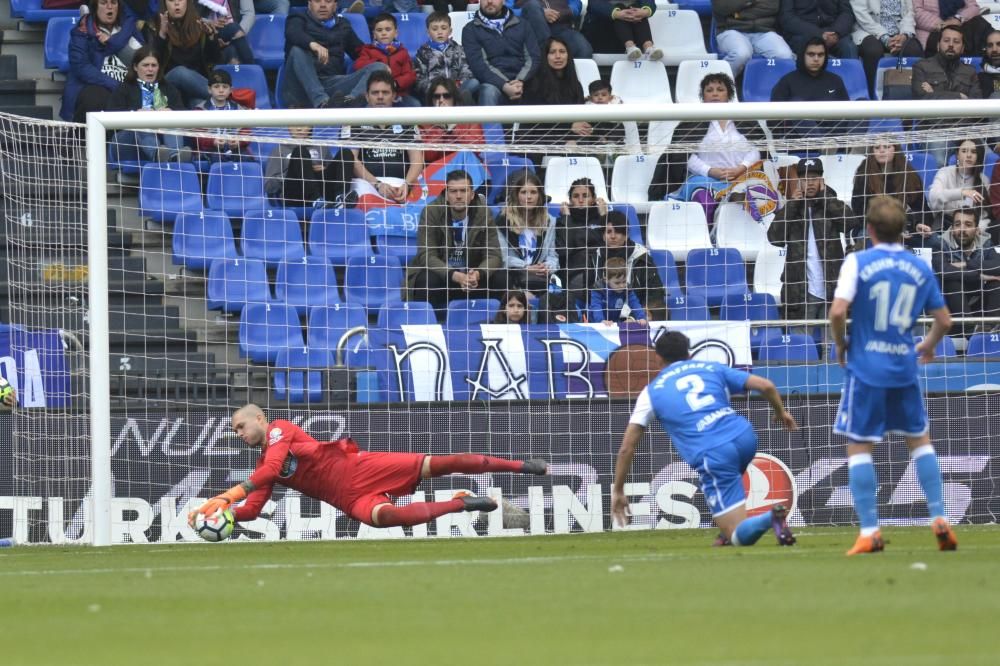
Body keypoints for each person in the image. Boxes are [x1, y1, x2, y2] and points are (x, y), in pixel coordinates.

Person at [828, 195, 958, 555]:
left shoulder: (858, 261)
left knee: (859, 446)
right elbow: (945, 320)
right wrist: (928, 345)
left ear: (869, 229)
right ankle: (940, 517)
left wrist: (841, 346)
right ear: (903, 231)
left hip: (866, 368)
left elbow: (838, 312)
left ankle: (870, 530)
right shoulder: (919, 267)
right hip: (904, 366)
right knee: (919, 441)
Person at [188, 404, 549, 529]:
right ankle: (464, 502)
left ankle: (521, 466)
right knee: (391, 518)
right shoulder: (264, 463)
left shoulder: (281, 429)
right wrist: (224, 515)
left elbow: (267, 473)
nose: (238, 433)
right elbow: (253, 506)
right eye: (234, 430)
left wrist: (228, 494)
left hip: (362, 468)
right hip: (346, 497)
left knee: (442, 463)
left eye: (240, 426)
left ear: (260, 419)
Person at [610, 331, 799, 546]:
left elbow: (627, 448)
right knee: (728, 478)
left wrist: (618, 489)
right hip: (745, 437)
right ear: (689, 354)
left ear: (657, 358)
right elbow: (766, 386)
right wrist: (781, 412)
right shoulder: (712, 368)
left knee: (737, 537)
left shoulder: (651, 392)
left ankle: (767, 519)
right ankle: (725, 526)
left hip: (714, 452)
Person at [767, 158, 853, 338]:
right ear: (799, 182)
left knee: (833, 347)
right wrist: (791, 206)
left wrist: (824, 199)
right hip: (800, 291)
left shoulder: (831, 202)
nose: (810, 183)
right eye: (805, 179)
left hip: (832, 289)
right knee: (801, 346)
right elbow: (775, 238)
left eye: (814, 178)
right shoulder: (793, 207)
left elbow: (850, 223)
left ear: (822, 180)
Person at [406, 169, 502, 320]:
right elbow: (426, 255)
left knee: (502, 277)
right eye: (453, 191)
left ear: (472, 195)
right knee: (426, 280)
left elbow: (494, 255)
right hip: (444, 277)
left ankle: (499, 326)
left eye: (463, 191)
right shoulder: (431, 212)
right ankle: (429, 328)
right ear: (446, 195)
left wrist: (478, 274)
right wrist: (455, 275)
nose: (458, 196)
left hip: (473, 279)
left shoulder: (484, 213)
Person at [670, 73, 765, 224]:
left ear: (729, 94)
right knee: (705, 202)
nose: (715, 93)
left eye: (720, 89)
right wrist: (710, 171)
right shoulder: (692, 122)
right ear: (703, 96)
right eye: (709, 90)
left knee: (753, 202)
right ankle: (707, 243)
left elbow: (757, 148)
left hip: (743, 177)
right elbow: (683, 155)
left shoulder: (746, 119)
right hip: (704, 180)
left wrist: (742, 168)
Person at [281, 0, 388, 109]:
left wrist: (384, 59)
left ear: (335, 5)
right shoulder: (297, 18)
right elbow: (293, 33)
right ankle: (322, 102)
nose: (323, 5)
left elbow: (360, 52)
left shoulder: (342, 25)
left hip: (331, 84)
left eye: (328, 1)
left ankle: (350, 102)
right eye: (317, 1)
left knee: (379, 67)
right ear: (309, 3)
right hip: (300, 88)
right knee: (297, 50)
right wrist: (312, 44)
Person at [343, 71, 425, 209]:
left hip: (400, 186)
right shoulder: (354, 121)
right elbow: (351, 160)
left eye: (385, 92)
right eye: (375, 93)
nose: (380, 97)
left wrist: (407, 184)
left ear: (393, 96)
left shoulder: (407, 121)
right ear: (367, 96)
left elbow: (417, 160)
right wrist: (377, 184)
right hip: (366, 184)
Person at [61, 0, 145, 122]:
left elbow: (144, 57)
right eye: (103, 3)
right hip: (97, 85)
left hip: (128, 84)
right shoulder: (82, 31)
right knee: (97, 97)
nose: (109, 7)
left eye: (113, 3)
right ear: (95, 7)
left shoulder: (128, 28)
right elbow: (81, 67)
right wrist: (116, 85)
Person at [106, 46, 191, 163]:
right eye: (145, 65)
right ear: (136, 67)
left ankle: (174, 157)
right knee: (142, 122)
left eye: (154, 65)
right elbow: (110, 117)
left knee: (171, 121)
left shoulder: (169, 88)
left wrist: (171, 112)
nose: (150, 69)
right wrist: (135, 113)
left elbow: (184, 113)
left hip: (163, 140)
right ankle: (157, 155)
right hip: (127, 142)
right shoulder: (124, 88)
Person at [928, 208, 1000, 335]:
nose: (961, 229)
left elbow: (997, 265)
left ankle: (992, 329)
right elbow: (944, 271)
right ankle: (971, 332)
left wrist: (966, 264)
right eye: (957, 224)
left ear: (977, 230)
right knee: (952, 282)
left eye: (968, 225)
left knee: (996, 283)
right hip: (951, 309)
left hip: (978, 303)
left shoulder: (985, 242)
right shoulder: (940, 243)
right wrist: (979, 276)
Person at [490, 171, 560, 297]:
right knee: (500, 277)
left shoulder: (549, 221)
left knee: (559, 281)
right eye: (524, 192)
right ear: (517, 195)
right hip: (514, 275)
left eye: (533, 192)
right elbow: (502, 258)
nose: (529, 197)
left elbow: (553, 255)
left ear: (540, 196)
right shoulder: (502, 221)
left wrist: (547, 267)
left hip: (539, 275)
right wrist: (526, 267)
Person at [462, 0, 541, 106]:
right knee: (488, 90)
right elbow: (479, 65)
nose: (489, 1)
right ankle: (491, 123)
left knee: (544, 83)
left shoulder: (523, 24)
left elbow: (533, 57)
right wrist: (504, 85)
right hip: (493, 83)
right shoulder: (470, 29)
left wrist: (520, 81)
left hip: (524, 81)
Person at [850, 141, 929, 245]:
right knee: (865, 238)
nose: (881, 150)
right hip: (875, 228)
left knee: (934, 241)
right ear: (871, 151)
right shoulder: (863, 174)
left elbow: (921, 207)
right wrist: (890, 230)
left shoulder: (909, 174)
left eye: (886, 147)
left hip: (907, 227)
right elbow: (860, 211)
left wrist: (918, 224)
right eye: (877, 147)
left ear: (895, 149)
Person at [583, 211, 663, 314]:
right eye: (608, 232)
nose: (613, 236)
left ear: (626, 235)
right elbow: (587, 294)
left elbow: (655, 294)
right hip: (602, 318)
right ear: (603, 236)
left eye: (618, 231)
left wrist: (635, 317)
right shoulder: (594, 258)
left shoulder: (642, 257)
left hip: (636, 316)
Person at [770, 37, 851, 138]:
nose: (816, 59)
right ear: (802, 55)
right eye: (811, 54)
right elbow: (772, 120)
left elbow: (847, 114)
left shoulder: (836, 80)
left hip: (834, 137)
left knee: (862, 104)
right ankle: (822, 145)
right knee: (796, 104)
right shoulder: (787, 81)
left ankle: (854, 148)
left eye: (820, 55)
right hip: (800, 141)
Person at [263, 123, 352, 209]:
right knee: (300, 152)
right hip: (295, 195)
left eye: (303, 124)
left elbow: (334, 174)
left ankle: (341, 198)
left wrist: (325, 169)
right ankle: (316, 200)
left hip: (322, 191)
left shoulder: (321, 147)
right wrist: (295, 170)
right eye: (294, 125)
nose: (299, 129)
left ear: (310, 126)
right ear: (288, 127)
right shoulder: (278, 151)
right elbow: (269, 187)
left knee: (346, 153)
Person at [151, 0, 220, 109]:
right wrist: (162, 35)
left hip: (195, 87)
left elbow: (215, 59)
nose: (176, 4)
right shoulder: (156, 25)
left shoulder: (199, 25)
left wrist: (211, 37)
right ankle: (227, 95)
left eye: (181, 0)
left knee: (199, 104)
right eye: (172, 0)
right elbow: (151, 61)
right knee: (180, 72)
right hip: (168, 85)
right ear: (165, 4)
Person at [850, 0, 924, 97]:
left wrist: (905, 35)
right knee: (873, 51)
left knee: (914, 49)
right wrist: (885, 38)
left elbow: (909, 13)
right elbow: (862, 16)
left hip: (899, 32)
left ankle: (912, 96)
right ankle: (872, 96)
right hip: (869, 30)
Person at [557, 177, 608, 301]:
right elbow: (564, 250)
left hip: (604, 271)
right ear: (570, 200)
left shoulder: (602, 219)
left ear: (593, 199)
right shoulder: (563, 221)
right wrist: (567, 218)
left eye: (585, 196)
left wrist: (604, 217)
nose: (580, 200)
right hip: (577, 273)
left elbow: (611, 244)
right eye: (576, 196)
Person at [353, 13, 420, 107]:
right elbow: (358, 65)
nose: (384, 33)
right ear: (374, 35)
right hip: (375, 95)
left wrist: (396, 83)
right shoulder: (368, 50)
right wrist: (378, 63)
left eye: (388, 29)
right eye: (379, 30)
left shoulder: (402, 52)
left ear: (396, 33)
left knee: (415, 105)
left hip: (399, 94)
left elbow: (409, 75)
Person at [413, 11, 480, 105]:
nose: (439, 32)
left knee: (474, 82)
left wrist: (457, 85)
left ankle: (454, 99)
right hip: (434, 92)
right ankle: (454, 102)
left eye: (443, 28)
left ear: (450, 31)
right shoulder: (422, 52)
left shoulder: (458, 49)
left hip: (456, 88)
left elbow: (466, 70)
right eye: (435, 29)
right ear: (428, 32)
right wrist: (435, 88)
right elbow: (419, 78)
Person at [713, 0, 794, 77]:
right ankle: (716, 84)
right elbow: (721, 7)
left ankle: (777, 89)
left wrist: (738, 14)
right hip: (731, 30)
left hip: (764, 32)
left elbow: (772, 7)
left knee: (784, 55)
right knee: (741, 54)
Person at [416, 78, 486, 164]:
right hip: (439, 169)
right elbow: (428, 155)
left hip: (466, 166)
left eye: (446, 96)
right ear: (431, 99)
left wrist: (453, 127)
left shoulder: (469, 117)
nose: (441, 100)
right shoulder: (423, 122)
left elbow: (477, 149)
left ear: (454, 98)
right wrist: (439, 127)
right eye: (437, 96)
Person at [928, 138, 992, 231]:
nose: (969, 155)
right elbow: (933, 196)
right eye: (964, 151)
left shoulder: (984, 180)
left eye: (974, 152)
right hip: (944, 227)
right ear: (957, 155)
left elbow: (984, 215)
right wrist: (962, 193)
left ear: (979, 156)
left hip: (971, 232)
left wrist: (979, 229)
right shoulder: (945, 172)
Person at [194, 69, 252, 161]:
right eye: (216, 87)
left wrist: (238, 141)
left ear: (230, 90)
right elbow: (198, 136)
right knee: (216, 158)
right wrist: (213, 142)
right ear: (209, 89)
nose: (221, 90)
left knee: (247, 157)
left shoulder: (238, 108)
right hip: (210, 150)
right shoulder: (201, 109)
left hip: (235, 149)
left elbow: (246, 131)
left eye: (225, 87)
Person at [911, 24, 982, 99]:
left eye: (956, 41)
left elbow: (976, 102)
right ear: (938, 46)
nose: (951, 45)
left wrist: (934, 94)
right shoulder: (922, 67)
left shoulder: (970, 71)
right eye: (946, 40)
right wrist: (959, 96)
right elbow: (920, 97)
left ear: (962, 48)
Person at [582, 0, 662, 61]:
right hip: (603, 30)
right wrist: (617, 13)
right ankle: (630, 47)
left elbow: (649, 2)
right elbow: (594, 4)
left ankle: (648, 48)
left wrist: (645, 11)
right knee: (620, 8)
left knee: (637, 11)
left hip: (632, 27)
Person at [777, 0, 859, 59]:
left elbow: (846, 13)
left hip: (833, 32)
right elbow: (786, 17)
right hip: (803, 32)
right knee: (814, 53)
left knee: (848, 47)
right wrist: (819, 34)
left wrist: (836, 33)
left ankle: (851, 83)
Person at [578, 80, 641, 153]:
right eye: (596, 95)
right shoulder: (587, 106)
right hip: (596, 129)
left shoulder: (615, 104)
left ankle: (612, 143)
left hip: (611, 127)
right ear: (590, 97)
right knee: (589, 128)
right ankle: (600, 141)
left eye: (604, 95)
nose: (600, 97)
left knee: (619, 128)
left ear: (610, 97)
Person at [516, 0, 593, 59]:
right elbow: (508, 9)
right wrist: (539, 13)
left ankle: (570, 79)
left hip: (561, 27)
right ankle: (547, 54)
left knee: (583, 49)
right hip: (530, 29)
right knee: (532, 5)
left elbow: (576, 4)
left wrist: (565, 12)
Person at [913, 0, 990, 55]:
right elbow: (916, 12)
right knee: (948, 40)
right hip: (933, 30)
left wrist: (958, 18)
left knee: (980, 24)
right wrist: (943, 24)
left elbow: (973, 7)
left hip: (959, 25)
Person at [589, 257, 647, 325]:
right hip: (593, 322)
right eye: (617, 283)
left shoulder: (627, 289)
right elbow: (596, 306)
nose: (622, 285)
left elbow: (635, 303)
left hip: (614, 322)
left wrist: (641, 317)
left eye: (624, 281)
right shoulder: (598, 289)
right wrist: (601, 320)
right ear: (606, 279)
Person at [197, 0, 255, 66]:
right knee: (233, 28)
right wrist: (211, 22)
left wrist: (234, 36)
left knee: (231, 50)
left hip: (236, 33)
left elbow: (249, 13)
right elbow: (193, 16)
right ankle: (252, 67)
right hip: (210, 33)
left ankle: (243, 71)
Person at [978, 29, 1000, 98]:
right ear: (986, 49)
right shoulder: (978, 78)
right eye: (990, 45)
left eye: (999, 44)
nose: (994, 49)